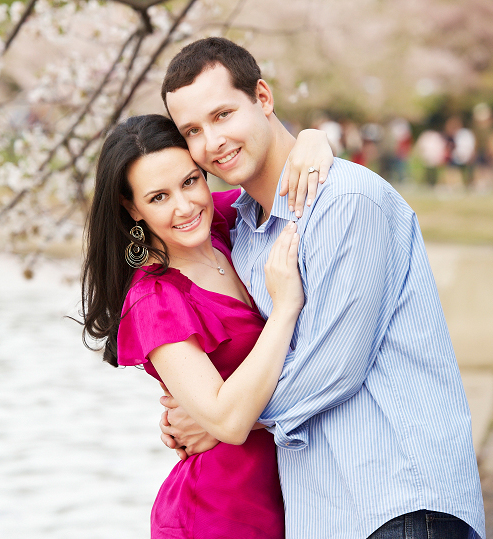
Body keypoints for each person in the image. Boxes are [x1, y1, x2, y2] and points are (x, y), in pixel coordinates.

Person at [158, 37, 484, 538]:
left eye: (223, 115)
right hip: (324, 512)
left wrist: (222, 418)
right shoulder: (243, 231)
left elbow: (334, 365)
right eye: (193, 131)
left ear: (263, 99)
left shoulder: (347, 203)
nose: (212, 142)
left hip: (399, 499)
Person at [80, 113, 331, 537]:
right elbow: (228, 421)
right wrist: (286, 308)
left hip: (294, 496)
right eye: (158, 197)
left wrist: (312, 139)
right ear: (131, 207)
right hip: (218, 513)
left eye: (190, 181)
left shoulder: (225, 224)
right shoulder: (155, 300)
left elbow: (288, 176)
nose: (184, 206)